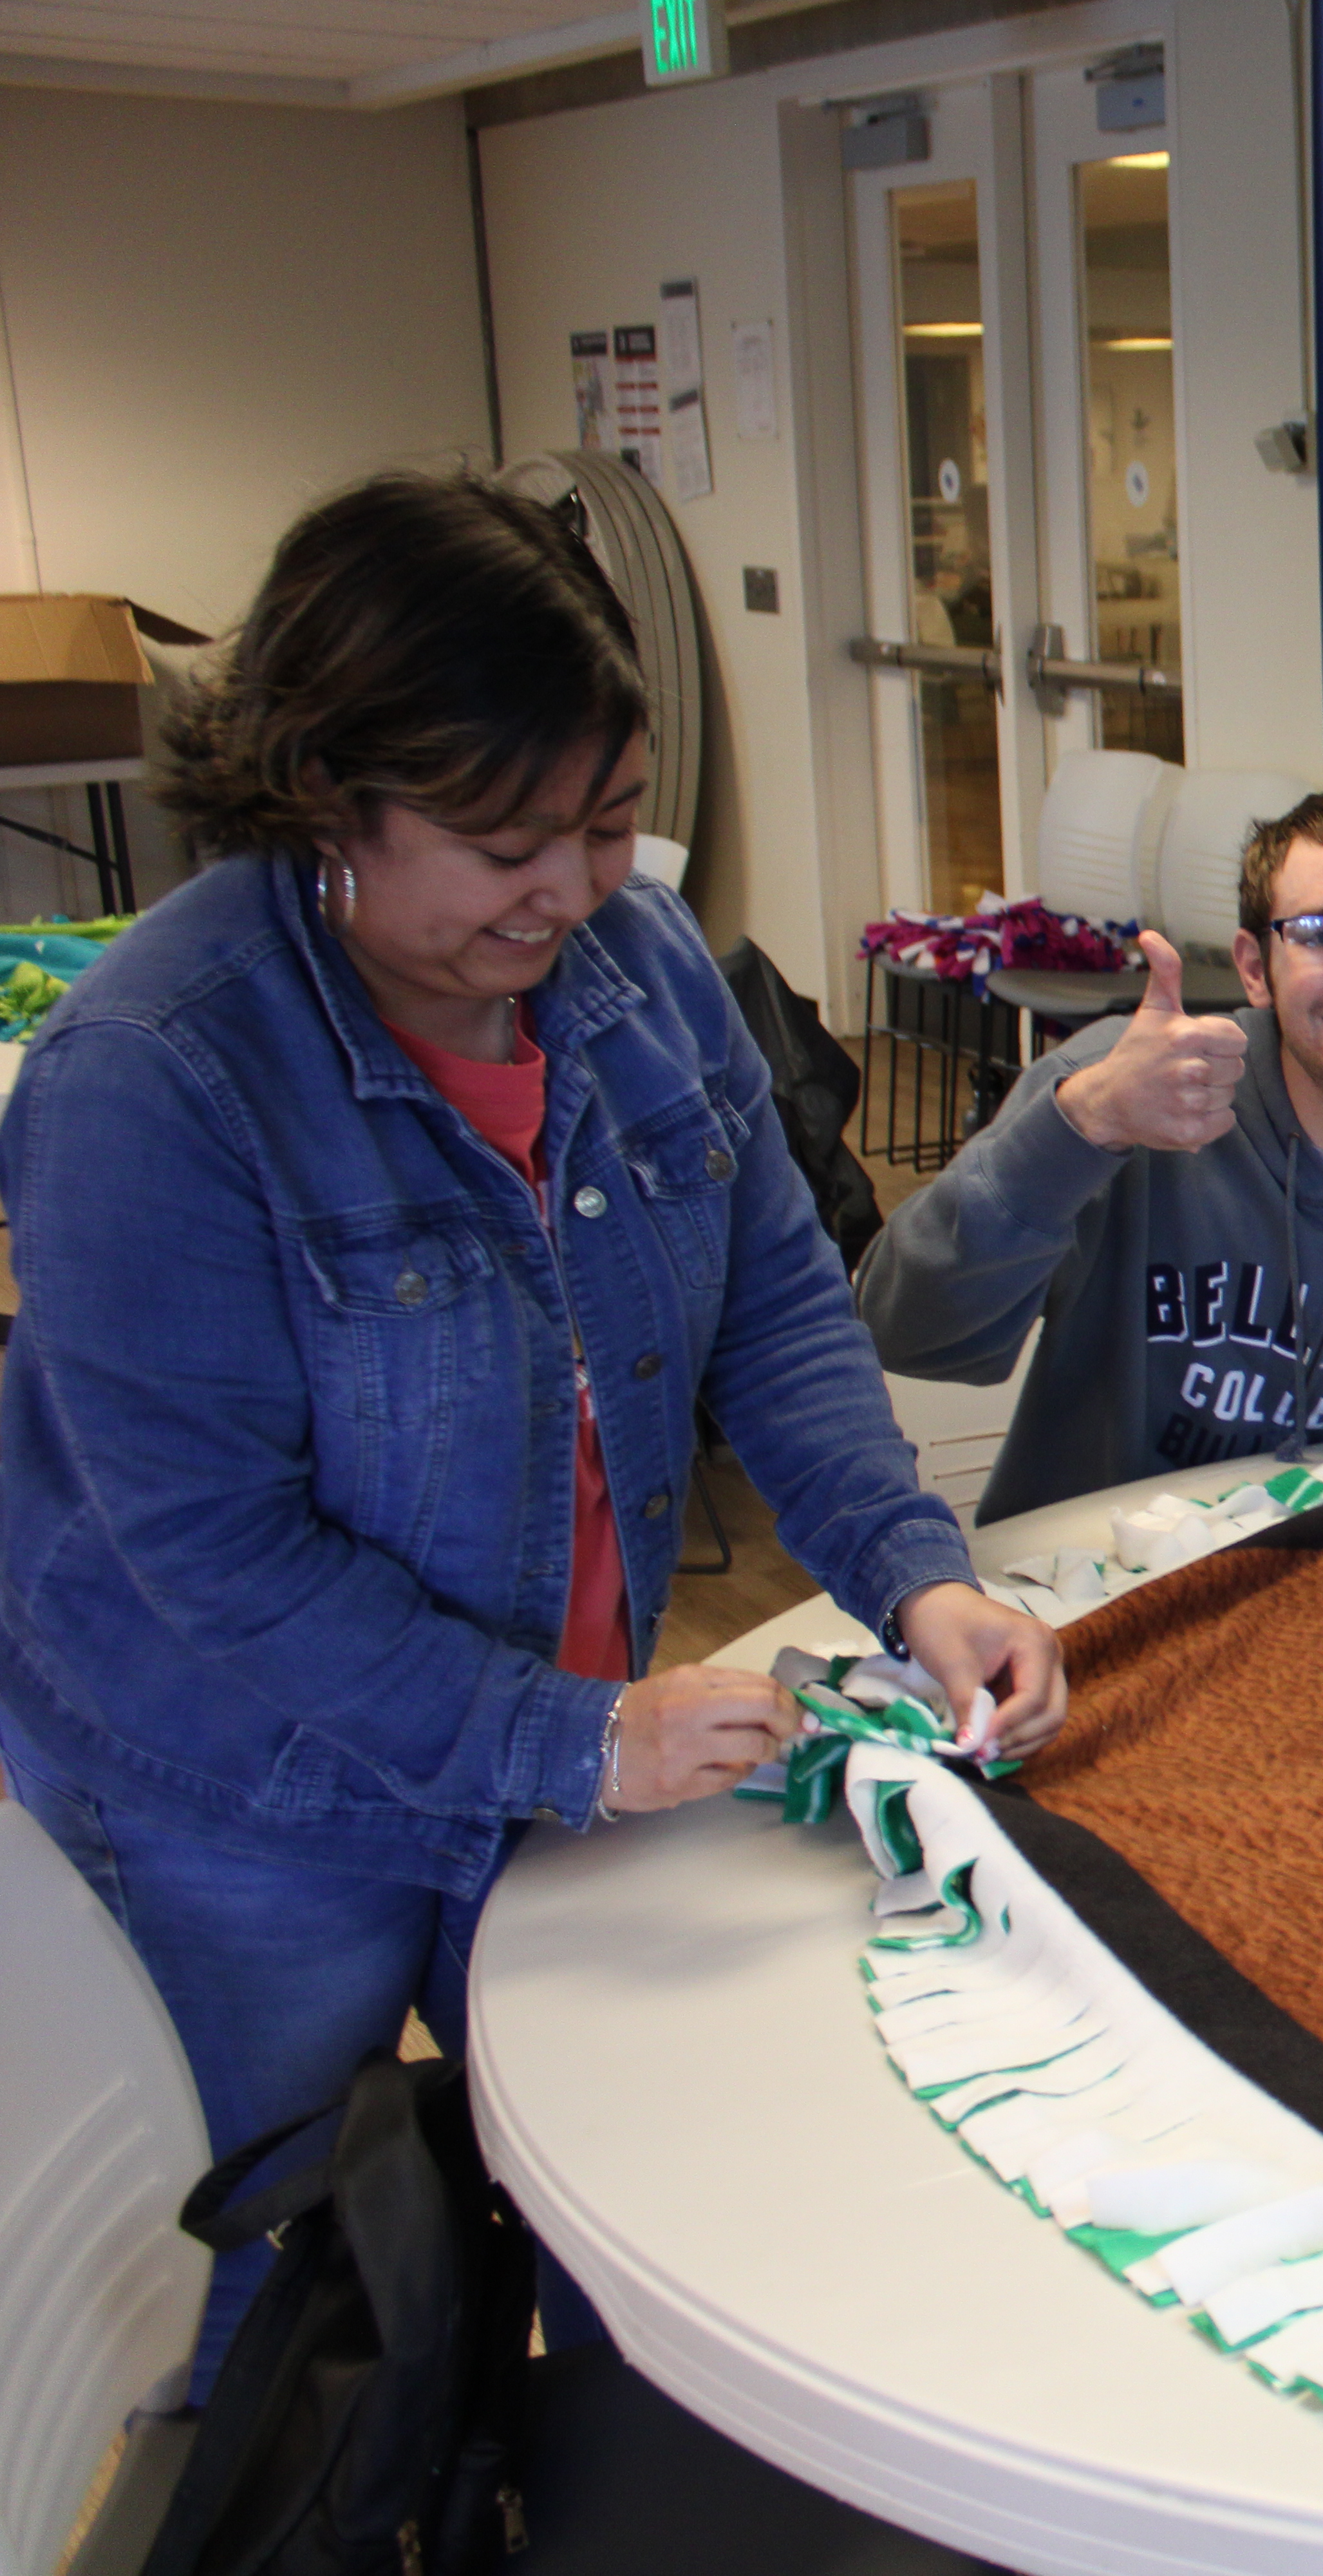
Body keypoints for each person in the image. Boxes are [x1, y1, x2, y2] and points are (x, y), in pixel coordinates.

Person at [0, 471, 1067, 2390]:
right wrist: (567, 1730)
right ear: (323, 794)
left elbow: (770, 1303)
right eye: (505, 840)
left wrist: (917, 1575)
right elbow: (215, 1553)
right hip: (241, 1796)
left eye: (603, 820)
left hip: (555, 1737)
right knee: (269, 2278)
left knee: (609, 2211)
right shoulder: (152, 1078)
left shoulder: (636, 973)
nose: (568, 891)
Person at [859, 777, 1323, 1521]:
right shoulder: (1118, 1089)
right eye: (1322, 933)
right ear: (1255, 968)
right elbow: (908, 1329)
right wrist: (1081, 1128)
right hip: (1112, 1583)